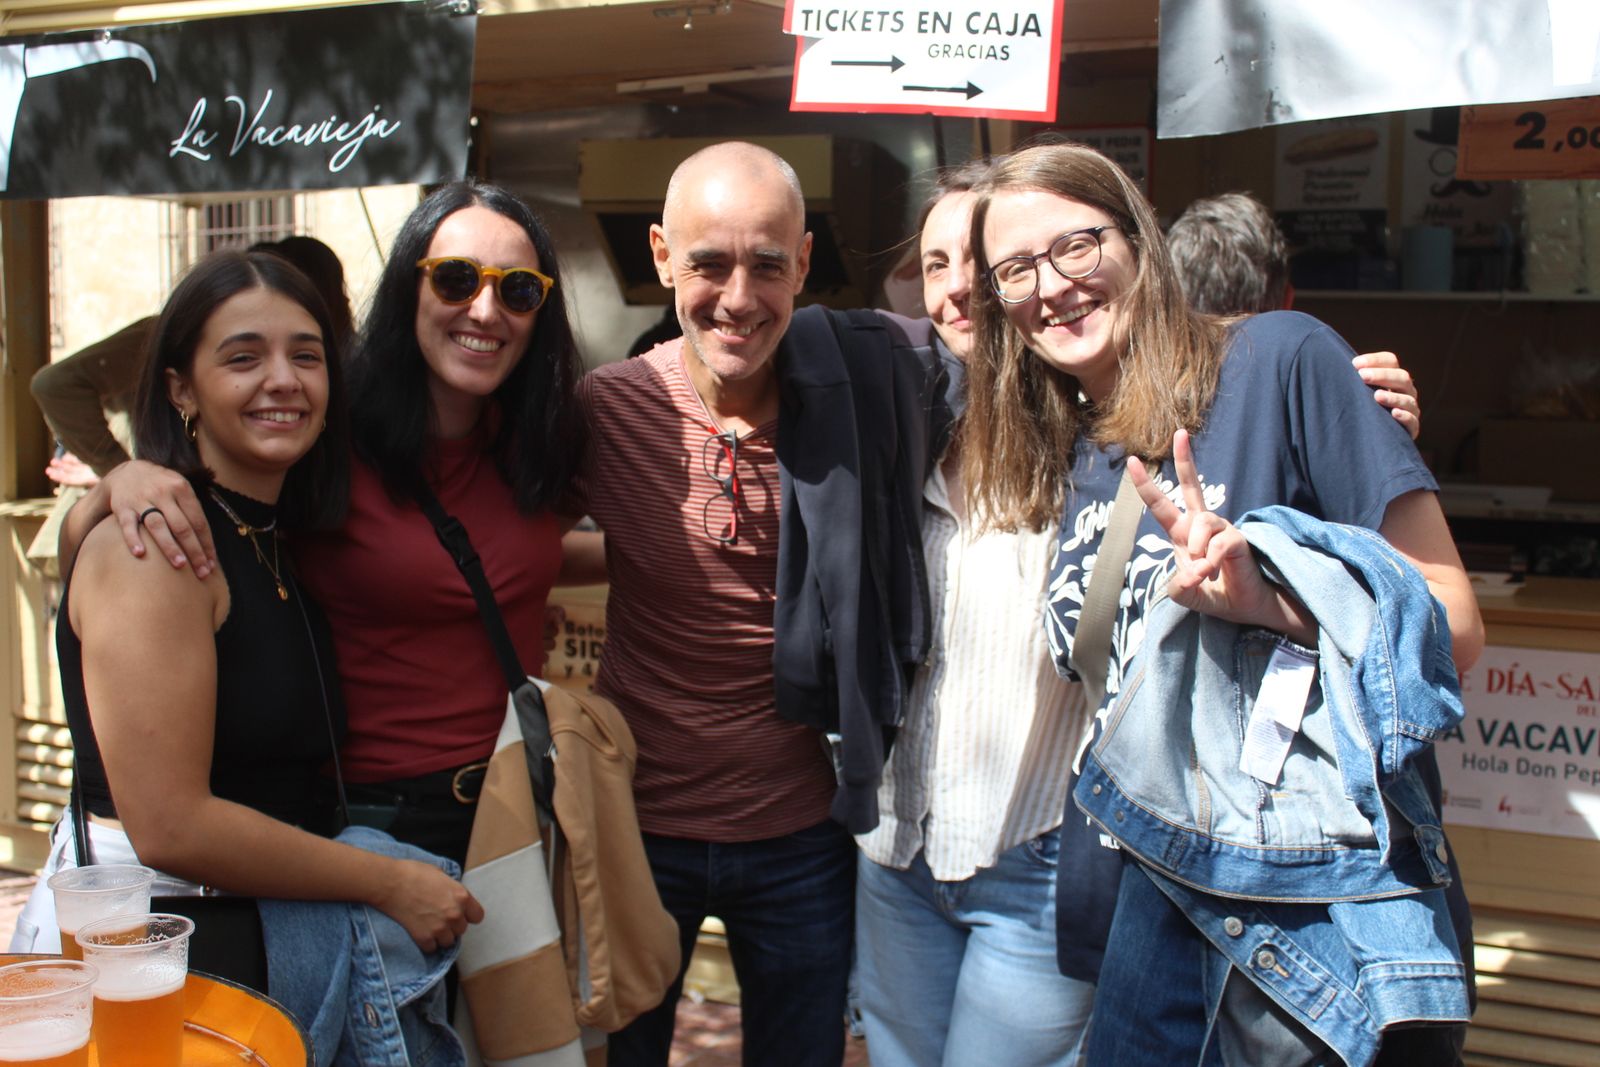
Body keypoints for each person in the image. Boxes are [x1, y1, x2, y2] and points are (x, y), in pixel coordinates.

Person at [963, 143, 1483, 1063]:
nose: (1051, 285)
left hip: (1309, 921)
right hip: (1138, 907)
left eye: (1077, 246)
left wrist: (1272, 602)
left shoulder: (1283, 359)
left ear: (1138, 239)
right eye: (1016, 269)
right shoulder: (1084, 446)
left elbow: (1450, 622)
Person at [60, 182, 587, 872]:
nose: (485, 309)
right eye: (457, 279)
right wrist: (116, 487)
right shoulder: (325, 449)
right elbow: (168, 824)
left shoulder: (532, 441)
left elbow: (511, 558)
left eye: (518, 289)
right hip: (357, 825)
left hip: (511, 802)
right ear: (408, 289)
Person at [568, 141, 950, 1067]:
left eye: (767, 265)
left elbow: (1035, 385)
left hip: (803, 831)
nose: (738, 298)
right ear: (662, 257)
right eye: (708, 263)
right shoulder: (606, 410)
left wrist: (1307, 387)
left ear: (804, 265)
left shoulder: (871, 397)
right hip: (637, 826)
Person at [8, 250, 477, 990]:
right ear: (180, 389)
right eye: (243, 357)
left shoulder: (266, 534)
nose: (283, 379)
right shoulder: (156, 544)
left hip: (249, 945)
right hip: (155, 965)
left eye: (306, 355)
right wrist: (388, 880)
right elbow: (170, 823)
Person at [1166, 191, 1420, 438]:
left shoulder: (1142, 390)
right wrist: (1384, 422)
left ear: (1167, 300)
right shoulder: (1321, 392)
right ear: (1288, 298)